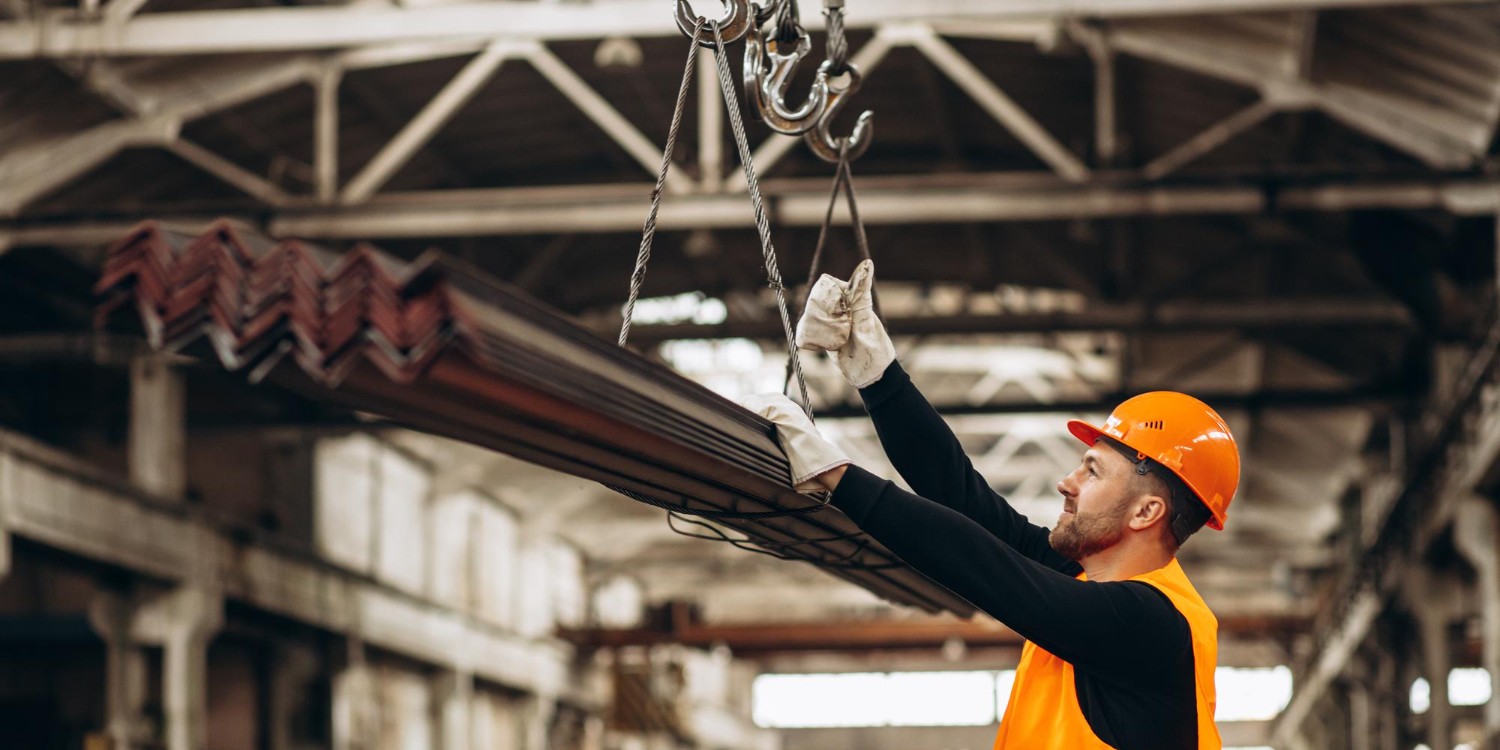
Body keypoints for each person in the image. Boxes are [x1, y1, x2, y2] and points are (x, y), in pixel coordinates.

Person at [742, 260, 1240, 750]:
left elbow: (985, 567)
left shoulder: (1154, 626)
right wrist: (876, 375)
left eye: (1092, 471)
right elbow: (964, 499)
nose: (1067, 483)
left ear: (1145, 512)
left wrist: (835, 475)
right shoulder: (1085, 580)